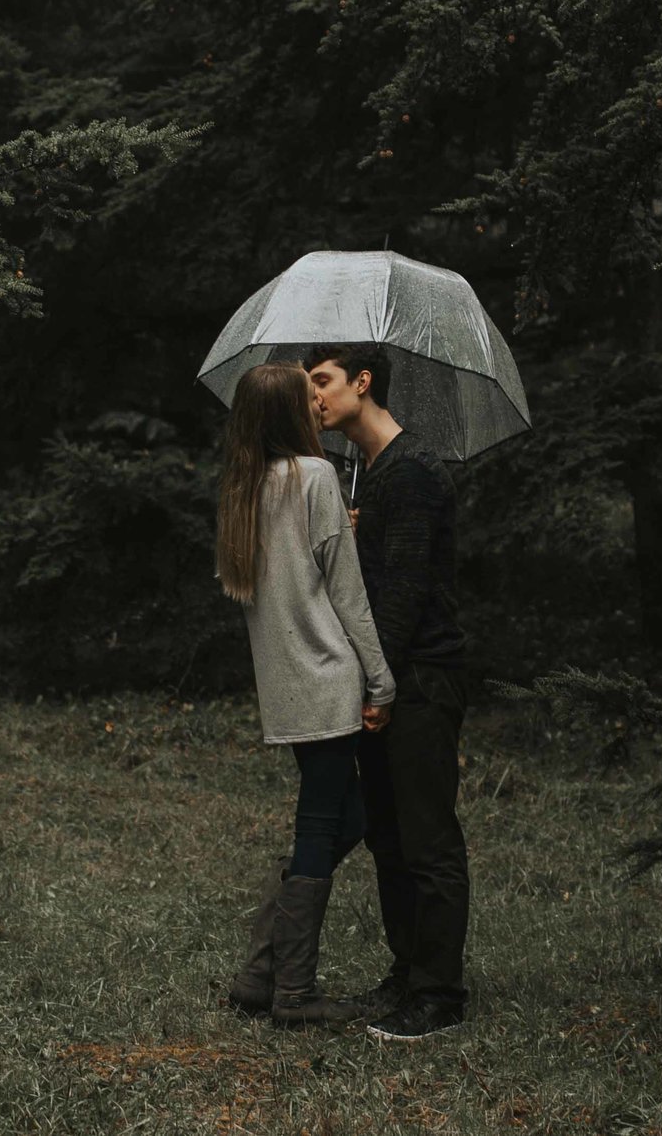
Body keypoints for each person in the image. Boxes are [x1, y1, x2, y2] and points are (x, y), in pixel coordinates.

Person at [214, 360, 396, 1026]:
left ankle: (261, 973)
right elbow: (347, 596)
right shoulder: (315, 477)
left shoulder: (244, 488)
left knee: (343, 820)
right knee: (325, 825)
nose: (318, 400)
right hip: (327, 679)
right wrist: (382, 679)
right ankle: (292, 993)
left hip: (288, 688)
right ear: (290, 413)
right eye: (307, 393)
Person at [304, 343, 471, 1043]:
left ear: (362, 383)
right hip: (383, 676)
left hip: (420, 676)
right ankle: (406, 972)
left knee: (428, 839)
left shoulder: (413, 473)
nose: (313, 397)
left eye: (323, 382)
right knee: (389, 836)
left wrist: (384, 683)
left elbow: (402, 593)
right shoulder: (364, 474)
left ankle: (439, 993)